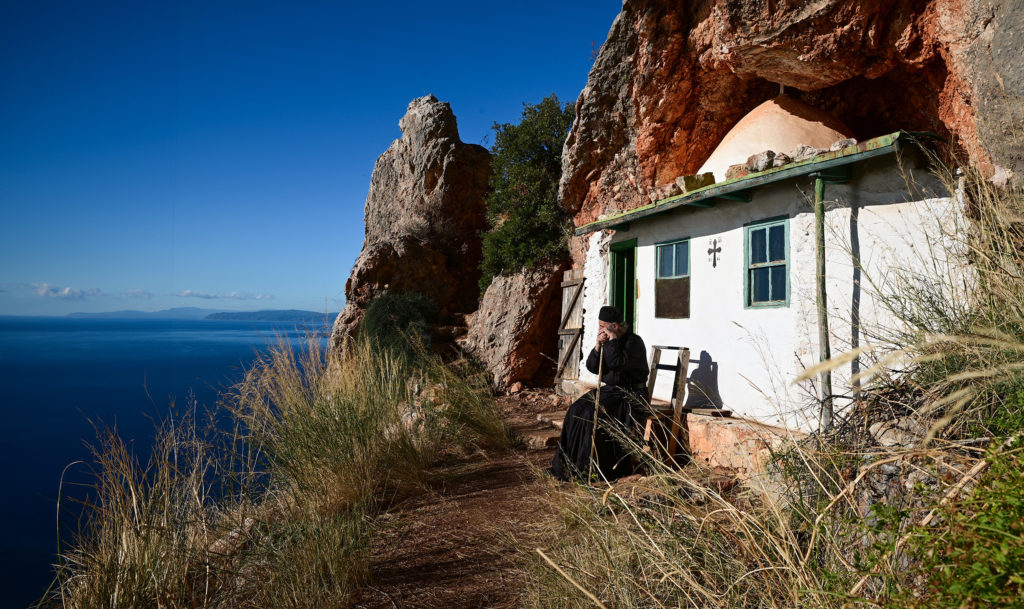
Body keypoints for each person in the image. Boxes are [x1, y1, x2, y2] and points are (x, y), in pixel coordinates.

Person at [550, 305, 649, 482]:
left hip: (631, 394)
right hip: (611, 391)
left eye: (602, 326)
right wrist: (597, 346)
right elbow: (593, 367)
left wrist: (611, 342)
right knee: (575, 410)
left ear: (615, 326)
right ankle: (569, 465)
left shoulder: (634, 342)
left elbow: (617, 363)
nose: (600, 329)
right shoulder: (610, 341)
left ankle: (591, 469)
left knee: (591, 414)